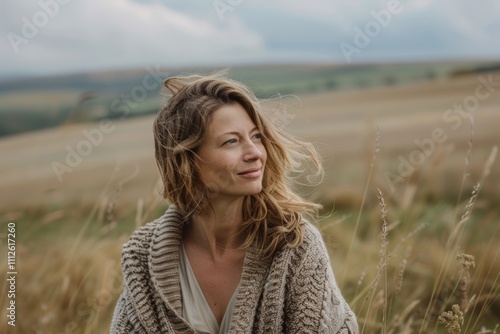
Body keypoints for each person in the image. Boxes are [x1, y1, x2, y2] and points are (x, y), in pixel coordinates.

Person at [110, 74, 358, 334]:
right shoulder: (144, 257)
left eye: (256, 137)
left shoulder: (295, 246)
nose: (255, 153)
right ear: (187, 161)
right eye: (231, 141)